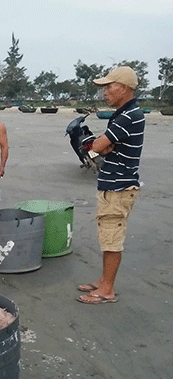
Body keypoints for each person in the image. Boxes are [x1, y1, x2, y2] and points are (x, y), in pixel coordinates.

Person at [77, 66, 145, 304]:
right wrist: (104, 144)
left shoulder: (128, 116)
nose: (105, 92)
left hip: (119, 188)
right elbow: (104, 146)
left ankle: (107, 290)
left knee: (112, 238)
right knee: (107, 236)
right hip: (114, 185)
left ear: (124, 88)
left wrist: (101, 144)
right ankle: (104, 280)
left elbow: (96, 147)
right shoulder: (123, 114)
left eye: (109, 87)